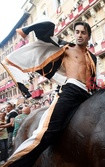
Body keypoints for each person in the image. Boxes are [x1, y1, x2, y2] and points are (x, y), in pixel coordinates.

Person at [3, 21, 97, 167]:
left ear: (88, 36)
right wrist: (28, 30)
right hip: (70, 91)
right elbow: (45, 34)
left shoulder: (93, 58)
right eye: (77, 32)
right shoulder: (66, 48)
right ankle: (15, 164)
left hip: (87, 94)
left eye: (83, 32)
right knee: (48, 132)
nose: (79, 35)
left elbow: (93, 79)